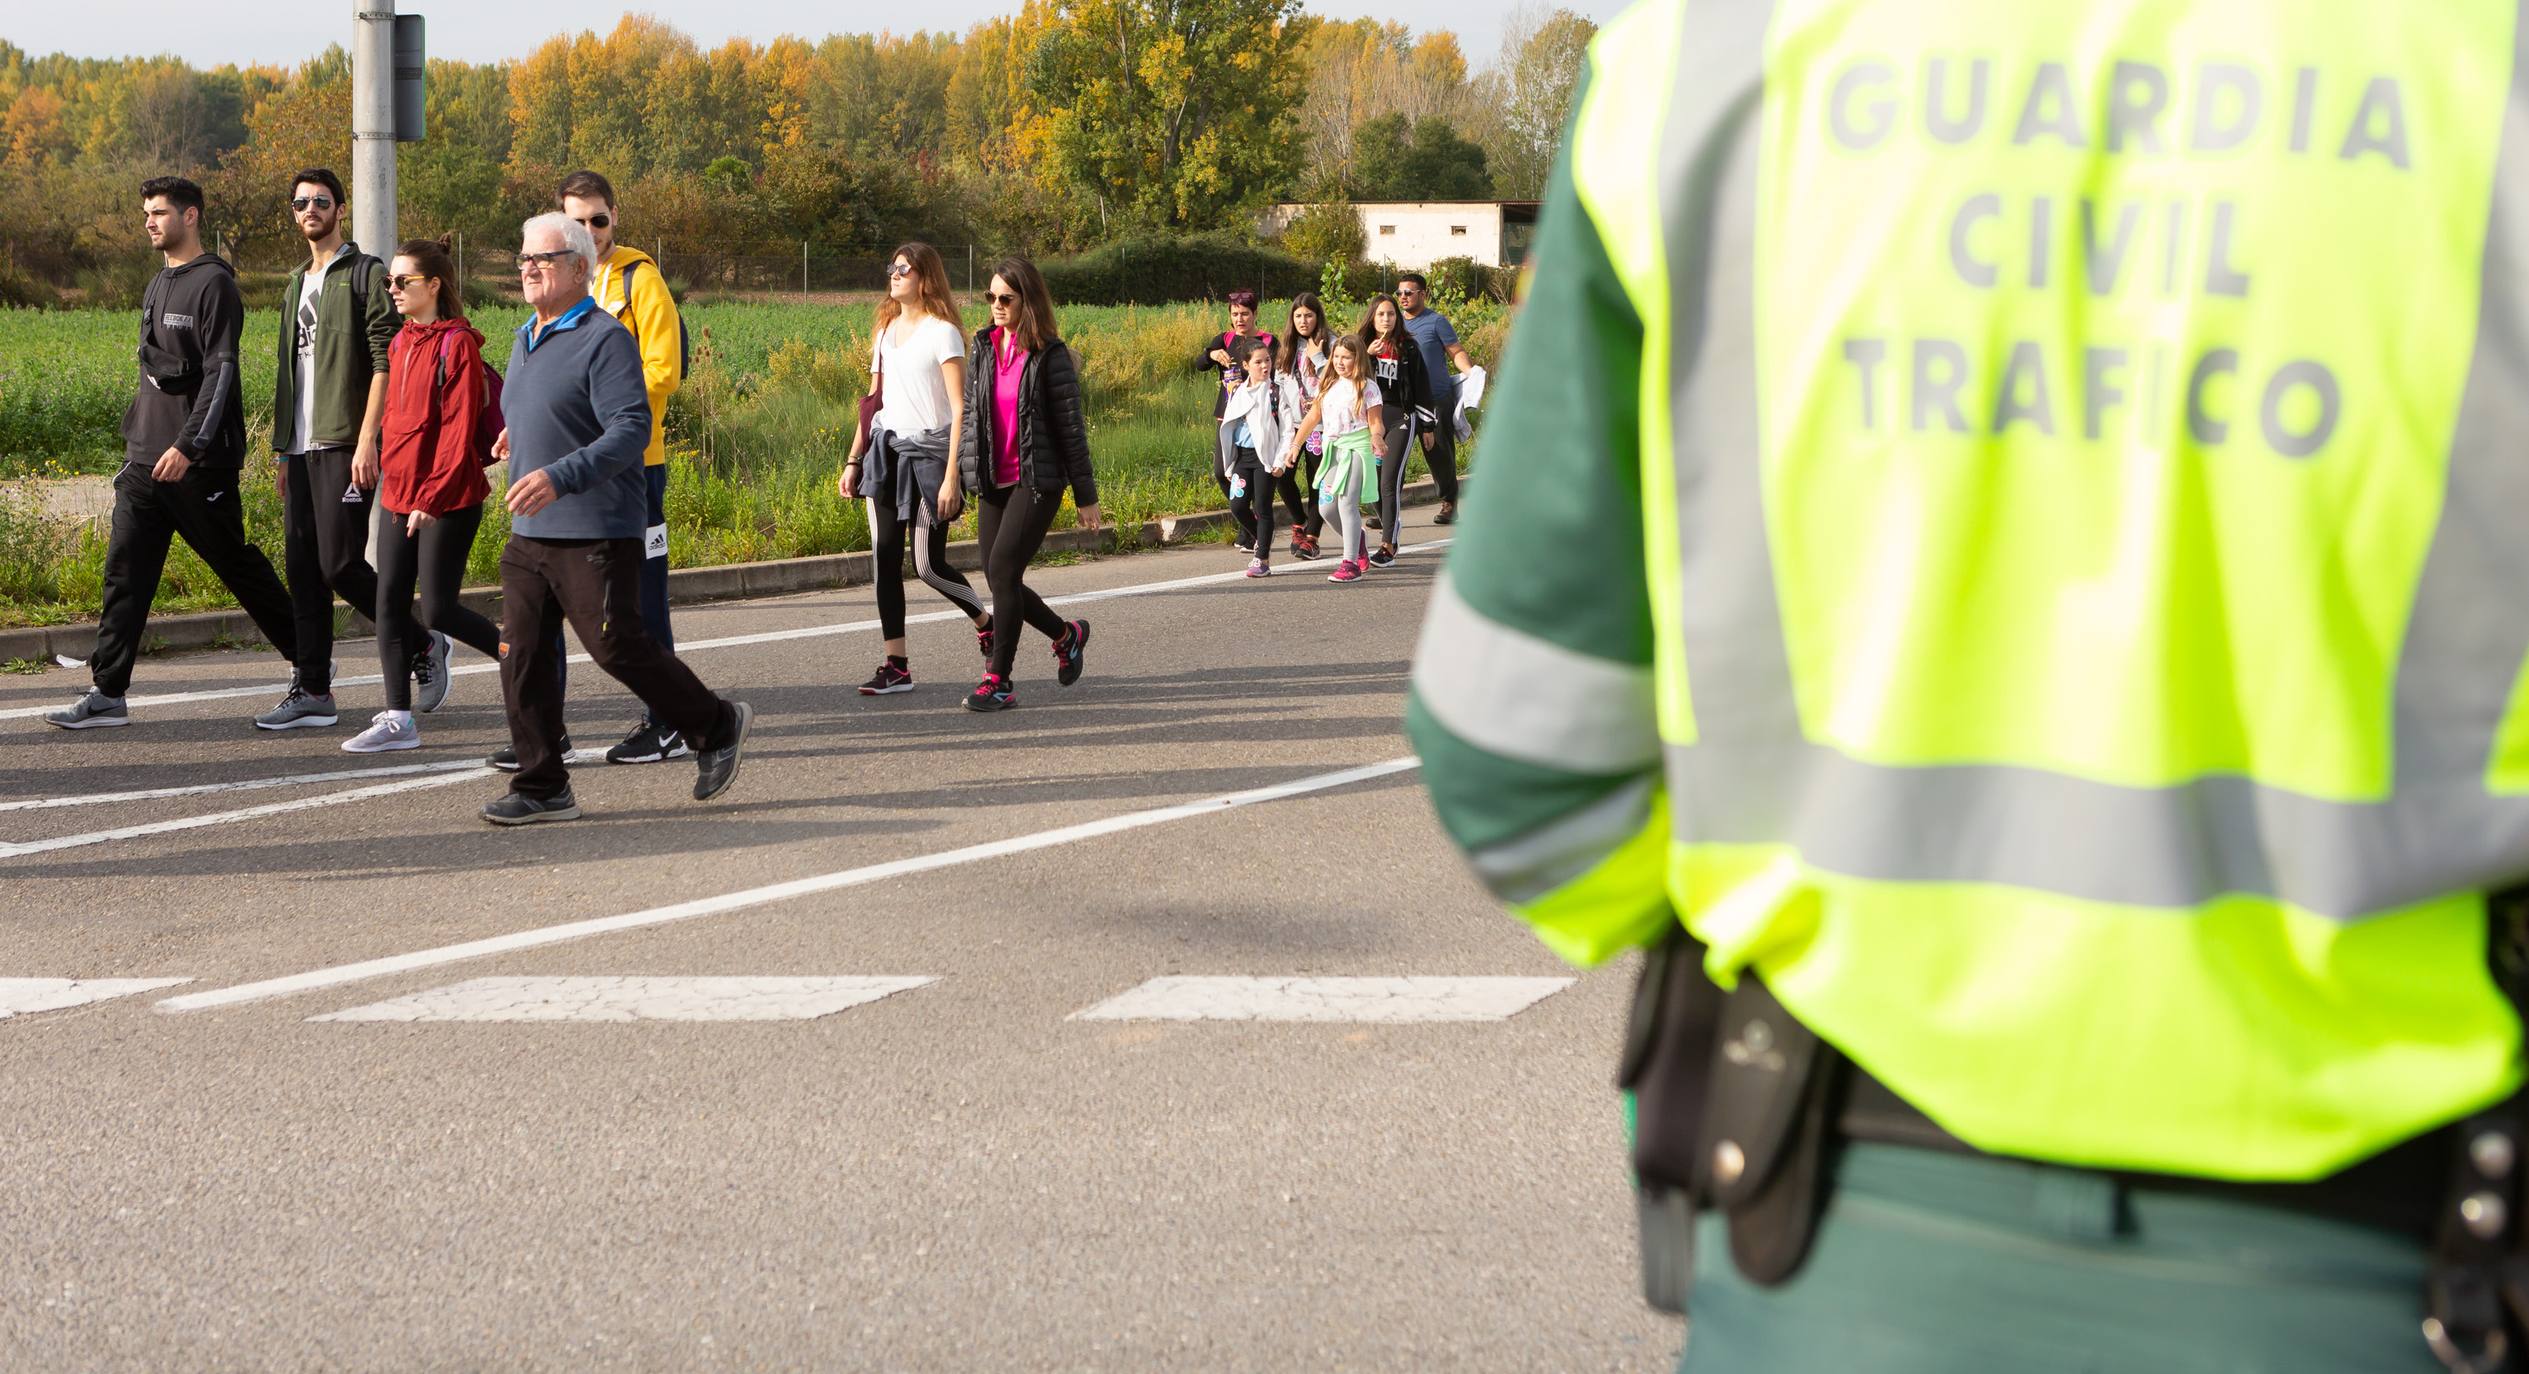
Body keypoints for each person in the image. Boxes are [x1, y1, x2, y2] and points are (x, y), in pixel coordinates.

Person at [1408, 4, 2529, 1372]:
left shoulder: (1712, 57)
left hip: (1826, 1236)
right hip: (2395, 1263)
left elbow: (1518, 762)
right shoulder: (2489, 66)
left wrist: (1811, 909)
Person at [483, 213, 750, 824]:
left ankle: (717, 724)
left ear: (579, 269)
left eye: (542, 259)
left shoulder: (605, 338)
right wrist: (515, 437)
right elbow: (553, 408)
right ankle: (543, 785)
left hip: (596, 528)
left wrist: (557, 475)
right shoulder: (527, 336)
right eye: (522, 257)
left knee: (617, 648)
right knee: (520, 654)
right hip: (531, 535)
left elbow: (631, 429)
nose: (527, 268)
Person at [46, 177, 300, 731]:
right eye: (146, 213)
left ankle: (312, 666)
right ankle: (107, 692)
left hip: (196, 463)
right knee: (125, 573)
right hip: (144, 462)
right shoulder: (159, 282)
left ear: (190, 216)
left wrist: (190, 446)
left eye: (159, 212)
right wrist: (140, 440)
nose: (149, 222)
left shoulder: (214, 286)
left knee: (237, 566)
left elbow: (221, 373)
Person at [496, 169, 688, 767]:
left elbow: (662, 372)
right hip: (557, 473)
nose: (590, 230)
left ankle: (672, 722)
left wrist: (590, 414)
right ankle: (544, 737)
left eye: (598, 219)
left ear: (613, 219)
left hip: (630, 467)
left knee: (629, 614)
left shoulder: (637, 279)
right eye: (577, 220)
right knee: (535, 617)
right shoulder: (541, 304)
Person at [342, 237, 505, 754]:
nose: (392, 289)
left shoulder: (457, 345)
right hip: (399, 494)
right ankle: (398, 719)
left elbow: (456, 435)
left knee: (438, 612)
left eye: (402, 281)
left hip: (449, 498)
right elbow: (399, 425)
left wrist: (429, 500)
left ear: (433, 286)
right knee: (388, 603)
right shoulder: (400, 341)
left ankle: (519, 652)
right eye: (390, 280)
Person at [262, 167, 395, 732]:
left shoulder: (365, 273)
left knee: (340, 563)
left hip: (345, 440)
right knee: (303, 570)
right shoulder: (296, 282)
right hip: (300, 447)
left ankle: (417, 644)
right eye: (300, 203)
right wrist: (281, 450)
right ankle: (313, 688)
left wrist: (369, 439)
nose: (309, 209)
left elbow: (386, 360)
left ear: (340, 209)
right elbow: (289, 369)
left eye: (320, 200)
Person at [838, 241, 990, 696]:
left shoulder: (942, 332)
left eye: (904, 269)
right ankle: (896, 666)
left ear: (925, 278)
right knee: (885, 560)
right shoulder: (885, 332)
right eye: (892, 267)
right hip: (886, 455)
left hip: (931, 459)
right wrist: (853, 459)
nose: (894, 274)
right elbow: (873, 404)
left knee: (927, 564)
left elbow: (961, 408)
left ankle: (987, 623)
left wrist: (952, 477)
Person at [955, 256, 1102, 712]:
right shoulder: (983, 347)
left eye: (1006, 298)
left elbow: (1070, 429)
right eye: (991, 297)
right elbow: (971, 418)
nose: (996, 305)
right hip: (993, 479)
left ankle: (998, 679)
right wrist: (960, 477)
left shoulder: (1049, 355)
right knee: (1003, 578)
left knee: (1001, 571)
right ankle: (1066, 634)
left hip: (1036, 479)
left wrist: (1086, 495)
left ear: (1028, 300)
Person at [1278, 334, 1382, 584]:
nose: (1340, 361)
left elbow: (1376, 423)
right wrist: (1294, 445)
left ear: (1358, 358)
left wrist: (1377, 438)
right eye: (1336, 356)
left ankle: (1350, 564)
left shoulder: (1367, 387)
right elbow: (1312, 418)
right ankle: (1357, 541)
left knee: (1347, 504)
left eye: (1346, 357)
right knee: (1326, 509)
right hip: (1333, 450)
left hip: (1357, 448)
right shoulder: (1328, 386)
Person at [1195, 289, 1278, 553]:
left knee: (1256, 477)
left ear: (1255, 314)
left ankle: (1253, 532)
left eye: (1244, 314)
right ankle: (1251, 525)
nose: (1239, 319)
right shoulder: (1225, 338)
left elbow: (1275, 372)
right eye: (1234, 314)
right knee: (1222, 472)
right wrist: (1211, 355)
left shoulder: (1267, 341)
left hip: (1258, 418)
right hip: (1228, 416)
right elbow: (1198, 364)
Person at [1215, 335, 1301, 580]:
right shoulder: (1239, 392)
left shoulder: (1275, 392)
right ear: (1246, 366)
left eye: (1267, 361)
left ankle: (1261, 557)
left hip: (1266, 460)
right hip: (1243, 459)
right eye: (1258, 362)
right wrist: (1230, 462)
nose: (1265, 366)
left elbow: (1287, 430)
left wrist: (1280, 461)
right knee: (1238, 506)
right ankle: (1262, 536)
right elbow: (1229, 429)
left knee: (1262, 507)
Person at [1394, 271, 1476, 526]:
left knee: (1439, 453)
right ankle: (1388, 509)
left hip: (1436, 398)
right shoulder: (1393, 323)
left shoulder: (1436, 322)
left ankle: (1449, 503)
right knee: (1395, 455)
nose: (1403, 297)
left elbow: (1456, 351)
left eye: (1409, 292)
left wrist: (1471, 373)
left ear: (1423, 294)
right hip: (1404, 401)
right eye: (1400, 293)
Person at [1358, 293, 1432, 568]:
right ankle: (1392, 524)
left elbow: (1421, 386)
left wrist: (1427, 425)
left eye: (1391, 314)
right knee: (1373, 484)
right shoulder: (1361, 346)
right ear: (1372, 318)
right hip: (1370, 420)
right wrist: (1367, 356)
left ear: (1397, 318)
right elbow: (1347, 378)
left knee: (1389, 481)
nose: (1386, 319)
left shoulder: (1409, 347)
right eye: (1381, 314)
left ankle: (1388, 544)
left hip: (1401, 417)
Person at [1276, 292, 1336, 561]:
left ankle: (1311, 538)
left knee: (1317, 481)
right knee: (1282, 475)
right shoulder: (1287, 346)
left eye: (1309, 315)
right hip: (1295, 425)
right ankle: (1300, 522)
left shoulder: (1331, 343)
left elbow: (1339, 380)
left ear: (1317, 316)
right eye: (1298, 316)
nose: (1303, 320)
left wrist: (1318, 357)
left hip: (1322, 425)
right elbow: (1280, 385)